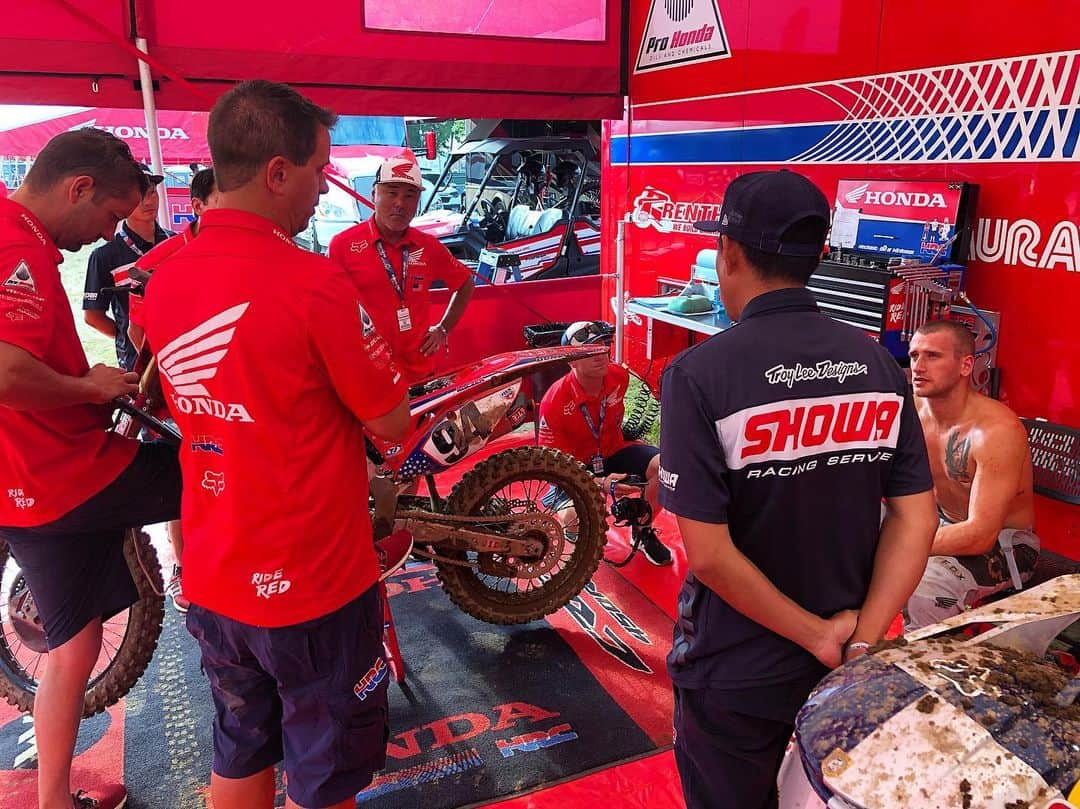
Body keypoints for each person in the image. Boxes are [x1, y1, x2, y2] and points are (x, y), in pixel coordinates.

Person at [142, 79, 410, 809]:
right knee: (326, 778)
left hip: (217, 574)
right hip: (315, 583)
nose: (325, 190)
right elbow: (392, 422)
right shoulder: (313, 284)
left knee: (240, 749)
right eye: (320, 170)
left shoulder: (160, 282)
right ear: (277, 172)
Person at [656, 169, 938, 809]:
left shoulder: (699, 374)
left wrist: (815, 634)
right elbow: (914, 520)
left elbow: (709, 555)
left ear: (727, 254)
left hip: (737, 665)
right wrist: (860, 637)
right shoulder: (876, 364)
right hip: (848, 652)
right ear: (816, 258)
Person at [0, 128, 182, 809]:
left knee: (71, 651)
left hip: (21, 487)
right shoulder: (17, 244)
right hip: (62, 473)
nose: (104, 232)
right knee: (214, 474)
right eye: (108, 215)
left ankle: (52, 800)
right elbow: (6, 373)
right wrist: (92, 387)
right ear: (78, 188)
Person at [904, 319, 1039, 629]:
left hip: (1004, 546)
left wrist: (900, 544)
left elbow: (979, 535)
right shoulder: (912, 411)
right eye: (914, 356)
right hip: (938, 523)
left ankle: (926, 668)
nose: (919, 366)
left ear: (966, 365)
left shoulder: (995, 431)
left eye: (933, 356)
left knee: (926, 588)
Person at [126, 166, 220, 615]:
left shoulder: (237, 252)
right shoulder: (156, 261)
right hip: (171, 392)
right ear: (200, 206)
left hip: (227, 392)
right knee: (182, 479)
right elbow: (137, 333)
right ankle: (185, 565)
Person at [328, 156, 474, 385]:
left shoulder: (428, 246)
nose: (400, 203)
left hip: (420, 373)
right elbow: (330, 310)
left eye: (410, 195)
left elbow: (465, 283)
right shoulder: (343, 246)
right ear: (374, 195)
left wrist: (442, 329)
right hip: (370, 376)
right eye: (392, 192)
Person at [537, 320, 673, 566]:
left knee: (667, 467)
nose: (600, 354)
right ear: (572, 361)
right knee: (573, 518)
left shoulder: (619, 376)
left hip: (612, 451)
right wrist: (599, 484)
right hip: (572, 470)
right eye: (589, 350)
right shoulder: (553, 402)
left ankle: (642, 530)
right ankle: (583, 541)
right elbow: (551, 466)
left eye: (603, 346)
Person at [83, 163, 173, 370]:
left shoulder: (178, 244)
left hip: (181, 353)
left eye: (152, 193)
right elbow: (93, 317)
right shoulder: (104, 256)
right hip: (136, 364)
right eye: (140, 196)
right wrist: (127, 335)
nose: (148, 202)